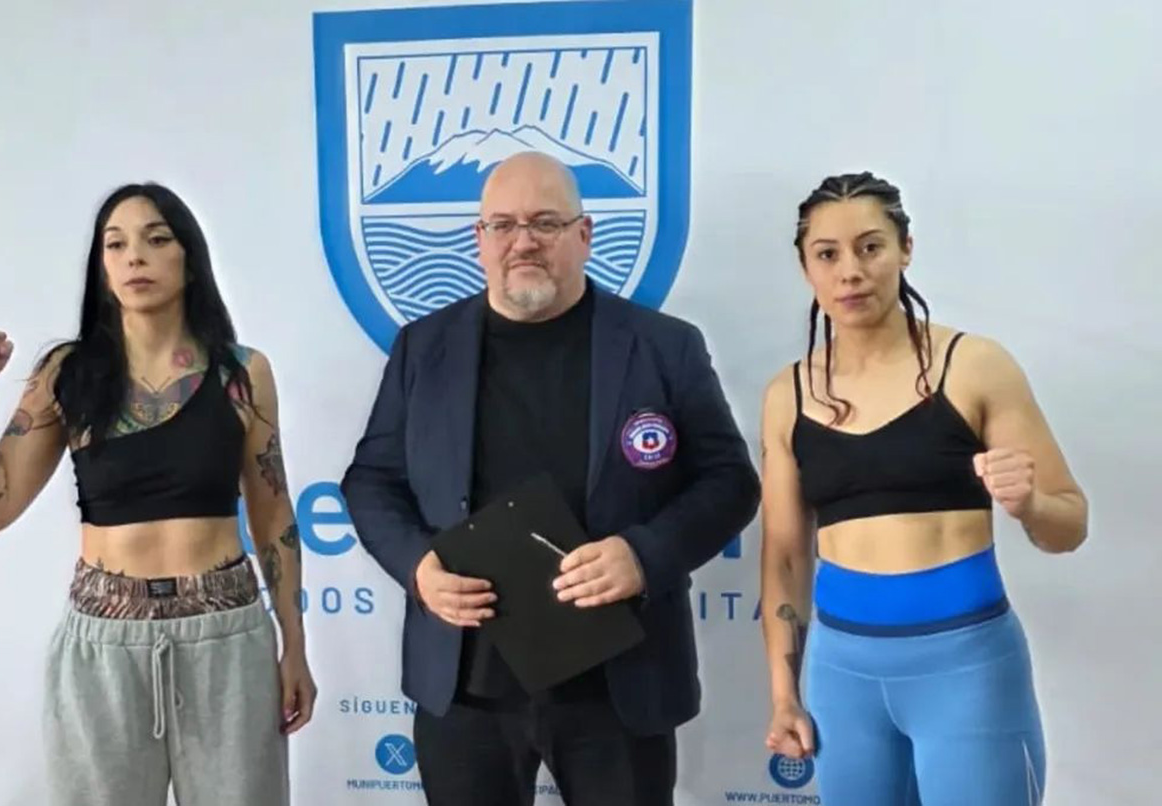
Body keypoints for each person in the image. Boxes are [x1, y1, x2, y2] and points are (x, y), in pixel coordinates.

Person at [341, 151, 761, 806]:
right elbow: (371, 480)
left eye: (545, 223)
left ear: (584, 234)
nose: (524, 242)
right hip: (466, 685)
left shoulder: (664, 345)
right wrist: (418, 567)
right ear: (479, 239)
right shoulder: (424, 347)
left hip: (618, 685)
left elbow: (730, 481)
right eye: (503, 225)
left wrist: (644, 555)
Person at [0, 182, 316, 806]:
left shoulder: (241, 372)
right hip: (104, 641)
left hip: (225, 634)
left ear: (189, 259)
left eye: (156, 239)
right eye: (115, 245)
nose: (135, 257)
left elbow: (273, 512)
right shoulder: (67, 373)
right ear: (102, 267)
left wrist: (295, 647)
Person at [758, 171, 1088, 805]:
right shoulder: (787, 396)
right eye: (827, 254)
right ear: (806, 268)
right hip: (842, 679)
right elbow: (786, 558)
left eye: (870, 247)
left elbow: (1070, 524)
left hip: (966, 669)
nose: (851, 271)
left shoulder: (974, 366)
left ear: (905, 249)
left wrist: (1028, 504)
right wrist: (782, 695)